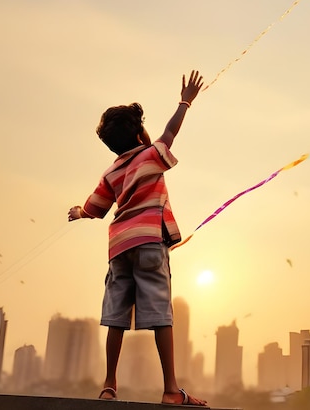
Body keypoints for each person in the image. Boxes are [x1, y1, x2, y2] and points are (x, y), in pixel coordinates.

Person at [68, 71, 207, 406]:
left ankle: (109, 384)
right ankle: (171, 389)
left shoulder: (111, 172)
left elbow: (95, 207)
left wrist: (78, 211)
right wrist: (185, 101)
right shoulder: (151, 156)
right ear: (140, 133)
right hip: (148, 245)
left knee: (116, 315)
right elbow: (170, 133)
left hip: (119, 250)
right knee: (161, 313)